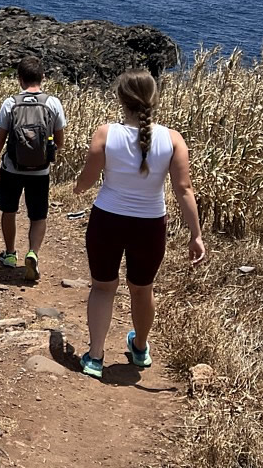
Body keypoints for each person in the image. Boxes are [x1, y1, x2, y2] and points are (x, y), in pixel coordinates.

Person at [73, 68, 207, 379]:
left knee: (103, 288)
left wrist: (78, 189)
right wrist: (196, 235)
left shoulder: (105, 133)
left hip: (107, 220)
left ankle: (94, 357)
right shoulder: (173, 139)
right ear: (154, 98)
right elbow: (183, 189)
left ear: (121, 98)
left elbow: (88, 178)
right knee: (142, 289)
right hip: (149, 225)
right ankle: (140, 348)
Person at [0, 56, 66, 282]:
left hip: (12, 168)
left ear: (19, 79)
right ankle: (33, 253)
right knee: (38, 216)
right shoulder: (53, 103)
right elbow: (60, 140)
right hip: (40, 172)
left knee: (9, 211)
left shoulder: (11, 103)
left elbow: (0, 137)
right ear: (43, 77)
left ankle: (10, 254)